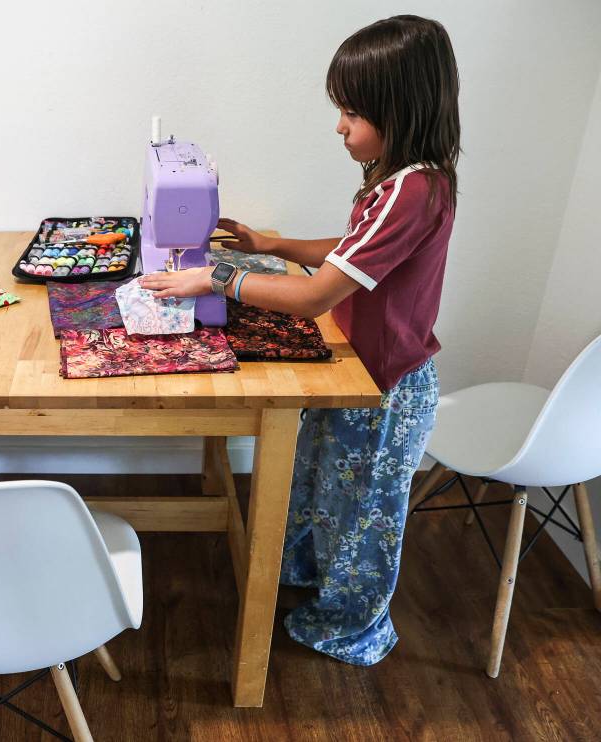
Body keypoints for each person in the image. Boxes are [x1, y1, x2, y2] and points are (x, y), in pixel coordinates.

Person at [139, 15, 460, 665]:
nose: (340, 125)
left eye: (351, 111)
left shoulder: (412, 190)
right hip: (360, 372)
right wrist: (273, 245)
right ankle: (307, 576)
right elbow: (351, 255)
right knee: (322, 485)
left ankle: (352, 626)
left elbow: (317, 294)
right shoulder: (403, 180)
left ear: (399, 110)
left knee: (363, 516)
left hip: (385, 386)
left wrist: (219, 276)